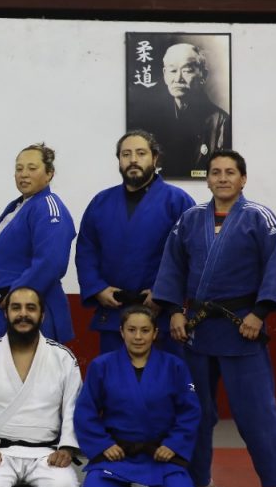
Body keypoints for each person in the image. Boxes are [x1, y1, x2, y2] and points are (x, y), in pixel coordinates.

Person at [152, 151, 276, 487]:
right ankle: (198, 477)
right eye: (215, 172)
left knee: (255, 409)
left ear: (243, 179)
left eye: (230, 172)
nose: (222, 178)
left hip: (242, 327)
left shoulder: (259, 217)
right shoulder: (190, 219)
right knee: (195, 407)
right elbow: (172, 267)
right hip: (197, 329)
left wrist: (259, 313)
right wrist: (174, 311)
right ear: (208, 179)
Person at [75, 130, 195, 354]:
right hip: (114, 313)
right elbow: (86, 250)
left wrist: (164, 293)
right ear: (119, 160)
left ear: (155, 158)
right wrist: (97, 288)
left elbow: (190, 254)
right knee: (113, 374)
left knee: (164, 374)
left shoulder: (177, 201)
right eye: (126, 154)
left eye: (141, 153)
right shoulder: (101, 202)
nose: (133, 160)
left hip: (160, 315)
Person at [74, 305, 201, 487]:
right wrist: (103, 444)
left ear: (155, 333)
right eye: (132, 330)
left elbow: (190, 411)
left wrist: (173, 444)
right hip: (118, 454)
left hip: (159, 453)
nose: (138, 337)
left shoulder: (174, 366)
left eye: (145, 330)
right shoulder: (102, 365)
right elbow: (85, 412)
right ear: (122, 332)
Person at [0, 287, 81, 487]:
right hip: (0, 452)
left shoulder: (63, 358)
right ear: (6, 313)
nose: (23, 314)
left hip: (46, 453)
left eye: (31, 308)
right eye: (16, 308)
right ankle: (14, 484)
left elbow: (72, 408)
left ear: (42, 315)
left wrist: (66, 448)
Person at [0, 143, 76, 344]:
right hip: (4, 308)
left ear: (49, 174)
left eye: (32, 168)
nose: (24, 174)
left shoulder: (49, 207)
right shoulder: (17, 207)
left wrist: (17, 294)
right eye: (19, 168)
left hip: (33, 309)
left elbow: (51, 262)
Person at [138, 43, 231, 179]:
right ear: (164, 75)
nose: (178, 79)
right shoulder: (150, 117)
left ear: (203, 75)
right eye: (172, 71)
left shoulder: (221, 122)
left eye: (187, 71)